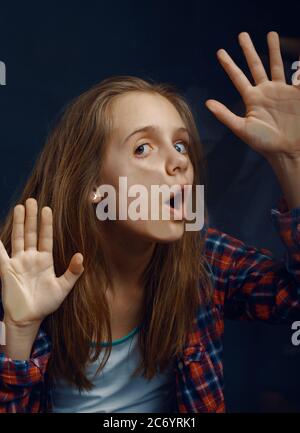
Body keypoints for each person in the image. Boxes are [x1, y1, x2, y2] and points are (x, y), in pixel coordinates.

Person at [0, 31, 299, 413]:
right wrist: (19, 332)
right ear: (92, 185)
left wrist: (292, 158)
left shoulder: (203, 259)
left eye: (180, 145)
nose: (179, 162)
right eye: (143, 147)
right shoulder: (26, 275)